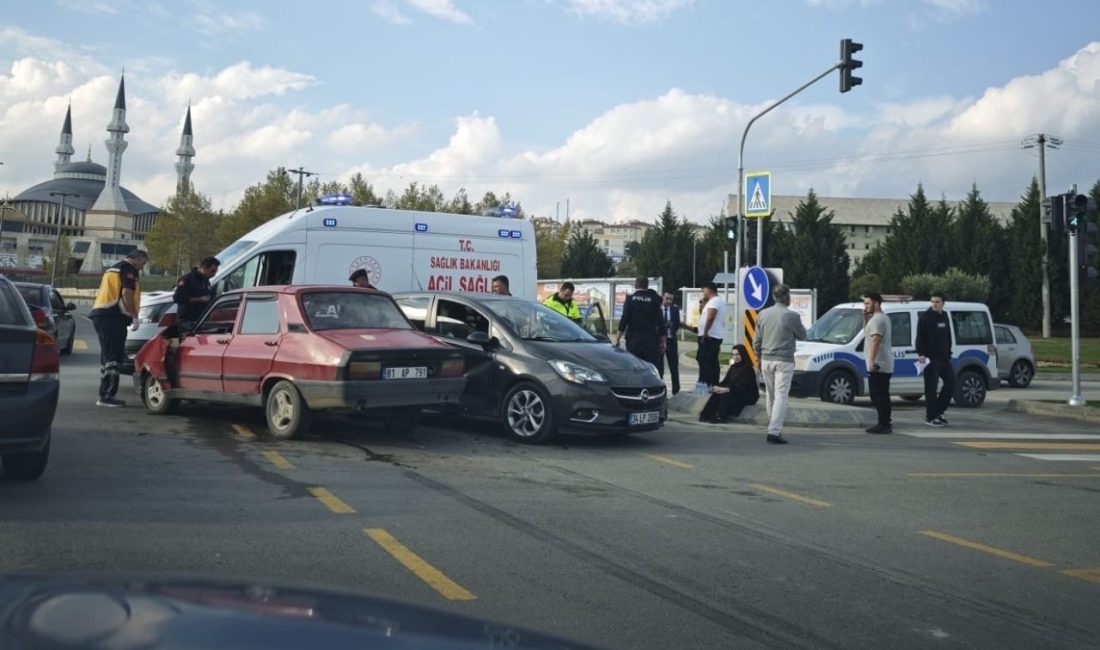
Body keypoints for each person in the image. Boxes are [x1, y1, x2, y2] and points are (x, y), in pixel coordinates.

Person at [90, 249, 148, 407]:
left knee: (108, 357)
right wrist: (134, 315)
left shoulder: (113, 268)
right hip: (113, 316)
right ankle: (107, 396)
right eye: (142, 263)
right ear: (136, 259)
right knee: (114, 357)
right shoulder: (128, 269)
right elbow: (127, 293)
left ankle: (105, 393)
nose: (142, 267)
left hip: (102, 315)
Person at [752, 283, 806, 444]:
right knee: (781, 396)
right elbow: (803, 335)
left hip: (766, 359)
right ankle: (774, 431)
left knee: (770, 395)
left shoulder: (762, 314)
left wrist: (759, 356)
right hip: (784, 361)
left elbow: (756, 341)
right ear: (787, 297)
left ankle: (772, 425)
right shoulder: (791, 316)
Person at [916, 291, 955, 427]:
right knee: (931, 389)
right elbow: (920, 337)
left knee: (951, 383)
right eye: (932, 301)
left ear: (943, 303)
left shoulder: (944, 316)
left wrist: (948, 352)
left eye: (937, 302)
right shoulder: (925, 317)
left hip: (944, 358)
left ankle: (939, 412)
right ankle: (930, 417)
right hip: (930, 359)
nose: (934, 304)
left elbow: (948, 336)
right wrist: (921, 354)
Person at [698, 344, 759, 423]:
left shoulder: (748, 368)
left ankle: (721, 417)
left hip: (747, 395)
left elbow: (742, 386)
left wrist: (727, 389)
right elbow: (726, 381)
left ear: (743, 354)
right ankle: (706, 414)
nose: (735, 357)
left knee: (725, 394)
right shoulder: (734, 366)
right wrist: (717, 387)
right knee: (717, 393)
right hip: (735, 390)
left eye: (738, 354)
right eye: (733, 355)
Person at [616, 276, 666, 368]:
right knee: (650, 369)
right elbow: (660, 323)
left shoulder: (630, 299)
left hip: (634, 341)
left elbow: (624, 319)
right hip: (650, 341)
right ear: (647, 286)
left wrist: (618, 338)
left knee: (634, 369)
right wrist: (662, 342)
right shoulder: (654, 300)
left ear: (636, 285)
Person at [863, 291, 893, 434]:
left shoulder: (877, 320)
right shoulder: (881, 318)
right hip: (883, 363)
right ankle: (885, 422)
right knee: (882, 394)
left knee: (878, 395)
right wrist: (865, 319)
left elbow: (875, 340)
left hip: (878, 364)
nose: (865, 306)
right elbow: (868, 336)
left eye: (868, 303)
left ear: (876, 303)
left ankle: (884, 423)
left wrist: (872, 361)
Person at [174, 256, 220, 330]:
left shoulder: (205, 280)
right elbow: (177, 298)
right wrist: (199, 299)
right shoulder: (187, 279)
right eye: (212, 271)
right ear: (204, 267)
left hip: (200, 320)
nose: (214, 274)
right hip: (186, 321)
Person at [697, 282, 726, 386]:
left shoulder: (715, 301)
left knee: (705, 361)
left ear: (709, 289)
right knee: (710, 361)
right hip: (711, 336)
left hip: (709, 337)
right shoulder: (713, 301)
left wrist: (705, 332)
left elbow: (710, 317)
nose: (703, 293)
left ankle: (704, 383)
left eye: (703, 290)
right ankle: (712, 384)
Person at [657, 291, 682, 395]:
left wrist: (671, 328)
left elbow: (677, 324)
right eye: (667, 298)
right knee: (659, 368)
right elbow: (655, 324)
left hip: (671, 340)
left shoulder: (675, 309)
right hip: (659, 341)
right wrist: (664, 325)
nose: (668, 301)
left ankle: (676, 391)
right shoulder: (657, 309)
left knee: (674, 367)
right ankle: (661, 391)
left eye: (671, 299)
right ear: (663, 297)